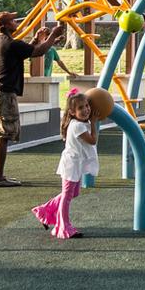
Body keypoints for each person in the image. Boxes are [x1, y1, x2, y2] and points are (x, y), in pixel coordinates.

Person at [0, 10, 67, 188]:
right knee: (2, 135)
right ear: (6, 26)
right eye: (13, 20)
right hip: (4, 94)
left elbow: (26, 51)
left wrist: (37, 39)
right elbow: (39, 52)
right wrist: (53, 35)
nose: (16, 22)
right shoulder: (11, 43)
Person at [33, 90, 97, 239]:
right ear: (72, 112)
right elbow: (93, 140)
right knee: (67, 196)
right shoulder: (78, 126)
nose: (86, 109)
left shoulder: (78, 123)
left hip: (76, 164)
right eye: (81, 108)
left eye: (87, 105)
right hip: (71, 165)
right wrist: (94, 123)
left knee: (74, 193)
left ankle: (44, 211)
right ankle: (64, 227)